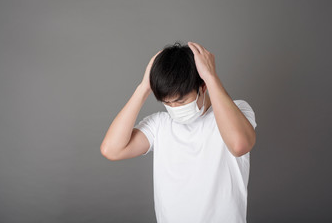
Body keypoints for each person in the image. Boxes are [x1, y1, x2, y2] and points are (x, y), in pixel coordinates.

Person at [100, 41, 257, 223]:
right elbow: (111, 150)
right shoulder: (159, 125)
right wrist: (144, 87)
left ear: (202, 87)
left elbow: (239, 146)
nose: (174, 108)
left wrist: (211, 77)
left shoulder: (237, 110)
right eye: (168, 103)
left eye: (181, 102)